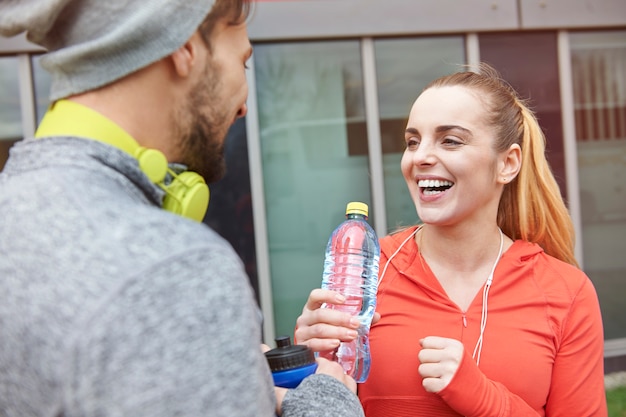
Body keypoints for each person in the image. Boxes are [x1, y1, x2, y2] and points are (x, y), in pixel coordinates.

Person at [0, 1, 364, 416]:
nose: (244, 105)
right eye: (242, 62)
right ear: (186, 46)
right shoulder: (171, 266)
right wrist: (329, 400)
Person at [294, 64, 608, 416]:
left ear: (507, 164)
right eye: (413, 142)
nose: (421, 157)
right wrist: (306, 365)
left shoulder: (566, 292)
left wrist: (482, 397)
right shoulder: (366, 270)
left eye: (450, 141)